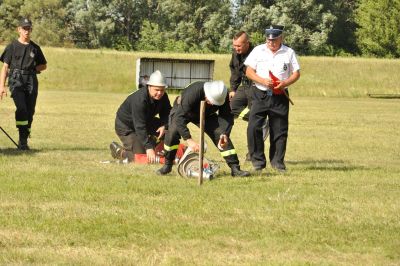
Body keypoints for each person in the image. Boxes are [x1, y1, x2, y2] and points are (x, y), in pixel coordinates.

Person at [156, 80, 250, 177]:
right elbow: (179, 117)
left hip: (207, 114)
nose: (213, 104)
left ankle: (235, 168)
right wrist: (189, 140)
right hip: (184, 112)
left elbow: (226, 116)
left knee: (220, 134)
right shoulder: (193, 92)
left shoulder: (223, 94)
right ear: (207, 93)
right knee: (172, 132)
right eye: (211, 101)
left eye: (215, 103)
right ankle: (167, 165)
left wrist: (225, 134)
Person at [244, 25, 300, 172]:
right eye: (269, 40)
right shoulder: (258, 50)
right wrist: (261, 80)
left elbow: (296, 73)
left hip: (280, 96)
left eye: (274, 40)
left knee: (279, 130)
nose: (271, 43)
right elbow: (249, 71)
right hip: (260, 93)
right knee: (253, 127)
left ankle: (277, 163)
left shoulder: (289, 52)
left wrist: (285, 83)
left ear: (281, 38)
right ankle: (257, 162)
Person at [0, 18, 47, 150]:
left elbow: (43, 65)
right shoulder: (12, 47)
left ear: (31, 30)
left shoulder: (35, 48)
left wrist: (33, 69)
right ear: (19, 29)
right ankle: (22, 140)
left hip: (31, 80)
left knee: (30, 111)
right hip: (16, 80)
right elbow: (5, 68)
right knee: (22, 108)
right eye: (24, 28)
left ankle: (25, 138)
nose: (27, 31)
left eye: (29, 28)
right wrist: (1, 86)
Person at [110, 70, 171, 163]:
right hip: (126, 126)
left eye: (162, 90)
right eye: (157, 90)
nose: (159, 93)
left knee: (170, 131)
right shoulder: (139, 100)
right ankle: (120, 152)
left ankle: (153, 145)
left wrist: (164, 126)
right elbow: (139, 126)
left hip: (146, 121)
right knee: (141, 156)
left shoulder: (163, 96)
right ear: (149, 86)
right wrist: (148, 147)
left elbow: (167, 113)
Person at [229, 31, 268, 160]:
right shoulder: (236, 54)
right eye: (234, 46)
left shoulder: (257, 53)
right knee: (231, 107)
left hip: (256, 87)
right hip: (244, 86)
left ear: (247, 43)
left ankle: (252, 155)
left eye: (239, 46)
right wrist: (233, 89)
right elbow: (235, 72)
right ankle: (262, 122)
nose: (236, 48)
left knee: (253, 125)